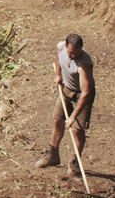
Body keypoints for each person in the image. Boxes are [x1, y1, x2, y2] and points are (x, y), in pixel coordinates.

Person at [35, 33, 95, 176]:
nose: (73, 56)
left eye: (77, 53)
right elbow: (58, 56)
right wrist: (58, 74)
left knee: (78, 130)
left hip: (82, 95)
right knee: (58, 121)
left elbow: (86, 93)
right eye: (71, 52)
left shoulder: (84, 65)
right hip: (66, 90)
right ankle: (53, 155)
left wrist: (73, 116)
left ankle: (75, 161)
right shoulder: (62, 48)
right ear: (66, 46)